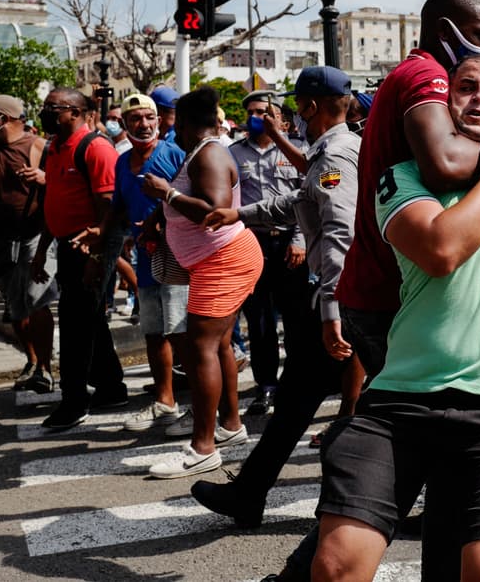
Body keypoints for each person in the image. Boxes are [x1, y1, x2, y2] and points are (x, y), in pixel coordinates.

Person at [266, 0, 480, 582]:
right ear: (446, 30)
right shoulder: (425, 75)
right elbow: (445, 163)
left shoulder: (417, 75)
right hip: (389, 297)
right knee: (416, 451)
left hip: (388, 294)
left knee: (409, 448)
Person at [310, 54, 480, 582]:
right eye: (465, 86)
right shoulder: (401, 179)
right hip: (401, 402)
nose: (478, 97)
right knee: (337, 565)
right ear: (444, 101)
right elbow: (441, 249)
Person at [194, 67, 358, 528]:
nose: (294, 115)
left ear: (310, 107)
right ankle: (250, 491)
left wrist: (330, 310)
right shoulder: (335, 152)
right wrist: (238, 213)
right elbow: (299, 201)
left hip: (342, 301)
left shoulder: (334, 159)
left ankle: (391, 501)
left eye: (297, 106)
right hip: (345, 298)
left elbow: (338, 234)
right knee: (299, 397)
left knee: (375, 402)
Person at [141, 86, 264, 478]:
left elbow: (215, 211)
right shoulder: (203, 151)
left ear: (189, 123)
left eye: (174, 122)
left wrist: (168, 194)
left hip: (224, 259)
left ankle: (203, 448)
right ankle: (230, 425)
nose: (170, 130)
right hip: (218, 259)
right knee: (219, 345)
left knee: (200, 348)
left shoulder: (210, 153)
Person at [80, 94, 189, 432]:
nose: (143, 124)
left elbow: (193, 201)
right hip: (146, 260)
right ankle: (165, 401)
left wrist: (163, 221)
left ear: (158, 121)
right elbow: (118, 209)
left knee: (183, 334)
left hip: (179, 256)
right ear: (124, 125)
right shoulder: (122, 161)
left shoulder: (174, 155)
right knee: (154, 333)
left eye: (148, 118)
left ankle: (203, 409)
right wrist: (101, 241)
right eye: (135, 119)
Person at [34, 88, 127, 430]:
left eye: (52, 108)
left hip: (90, 247)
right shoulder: (54, 148)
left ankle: (74, 401)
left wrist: (97, 258)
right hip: (66, 244)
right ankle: (111, 387)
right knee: (88, 318)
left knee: (75, 323)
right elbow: (54, 202)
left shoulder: (96, 147)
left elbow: (108, 209)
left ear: (74, 112)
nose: (46, 113)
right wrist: (43, 250)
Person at [230, 90, 307, 417]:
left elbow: (307, 198)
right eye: (251, 111)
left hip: (290, 244)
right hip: (253, 244)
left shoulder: (296, 150)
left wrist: (300, 240)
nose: (256, 116)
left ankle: (297, 385)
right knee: (258, 321)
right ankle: (265, 386)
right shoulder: (233, 154)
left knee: (296, 319)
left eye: (263, 111)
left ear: (278, 118)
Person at [0, 96, 56, 393]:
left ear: (7, 117)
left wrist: (43, 178)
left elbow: (63, 186)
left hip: (34, 236)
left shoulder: (37, 147)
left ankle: (46, 370)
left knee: (38, 301)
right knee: (15, 307)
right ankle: (33, 362)